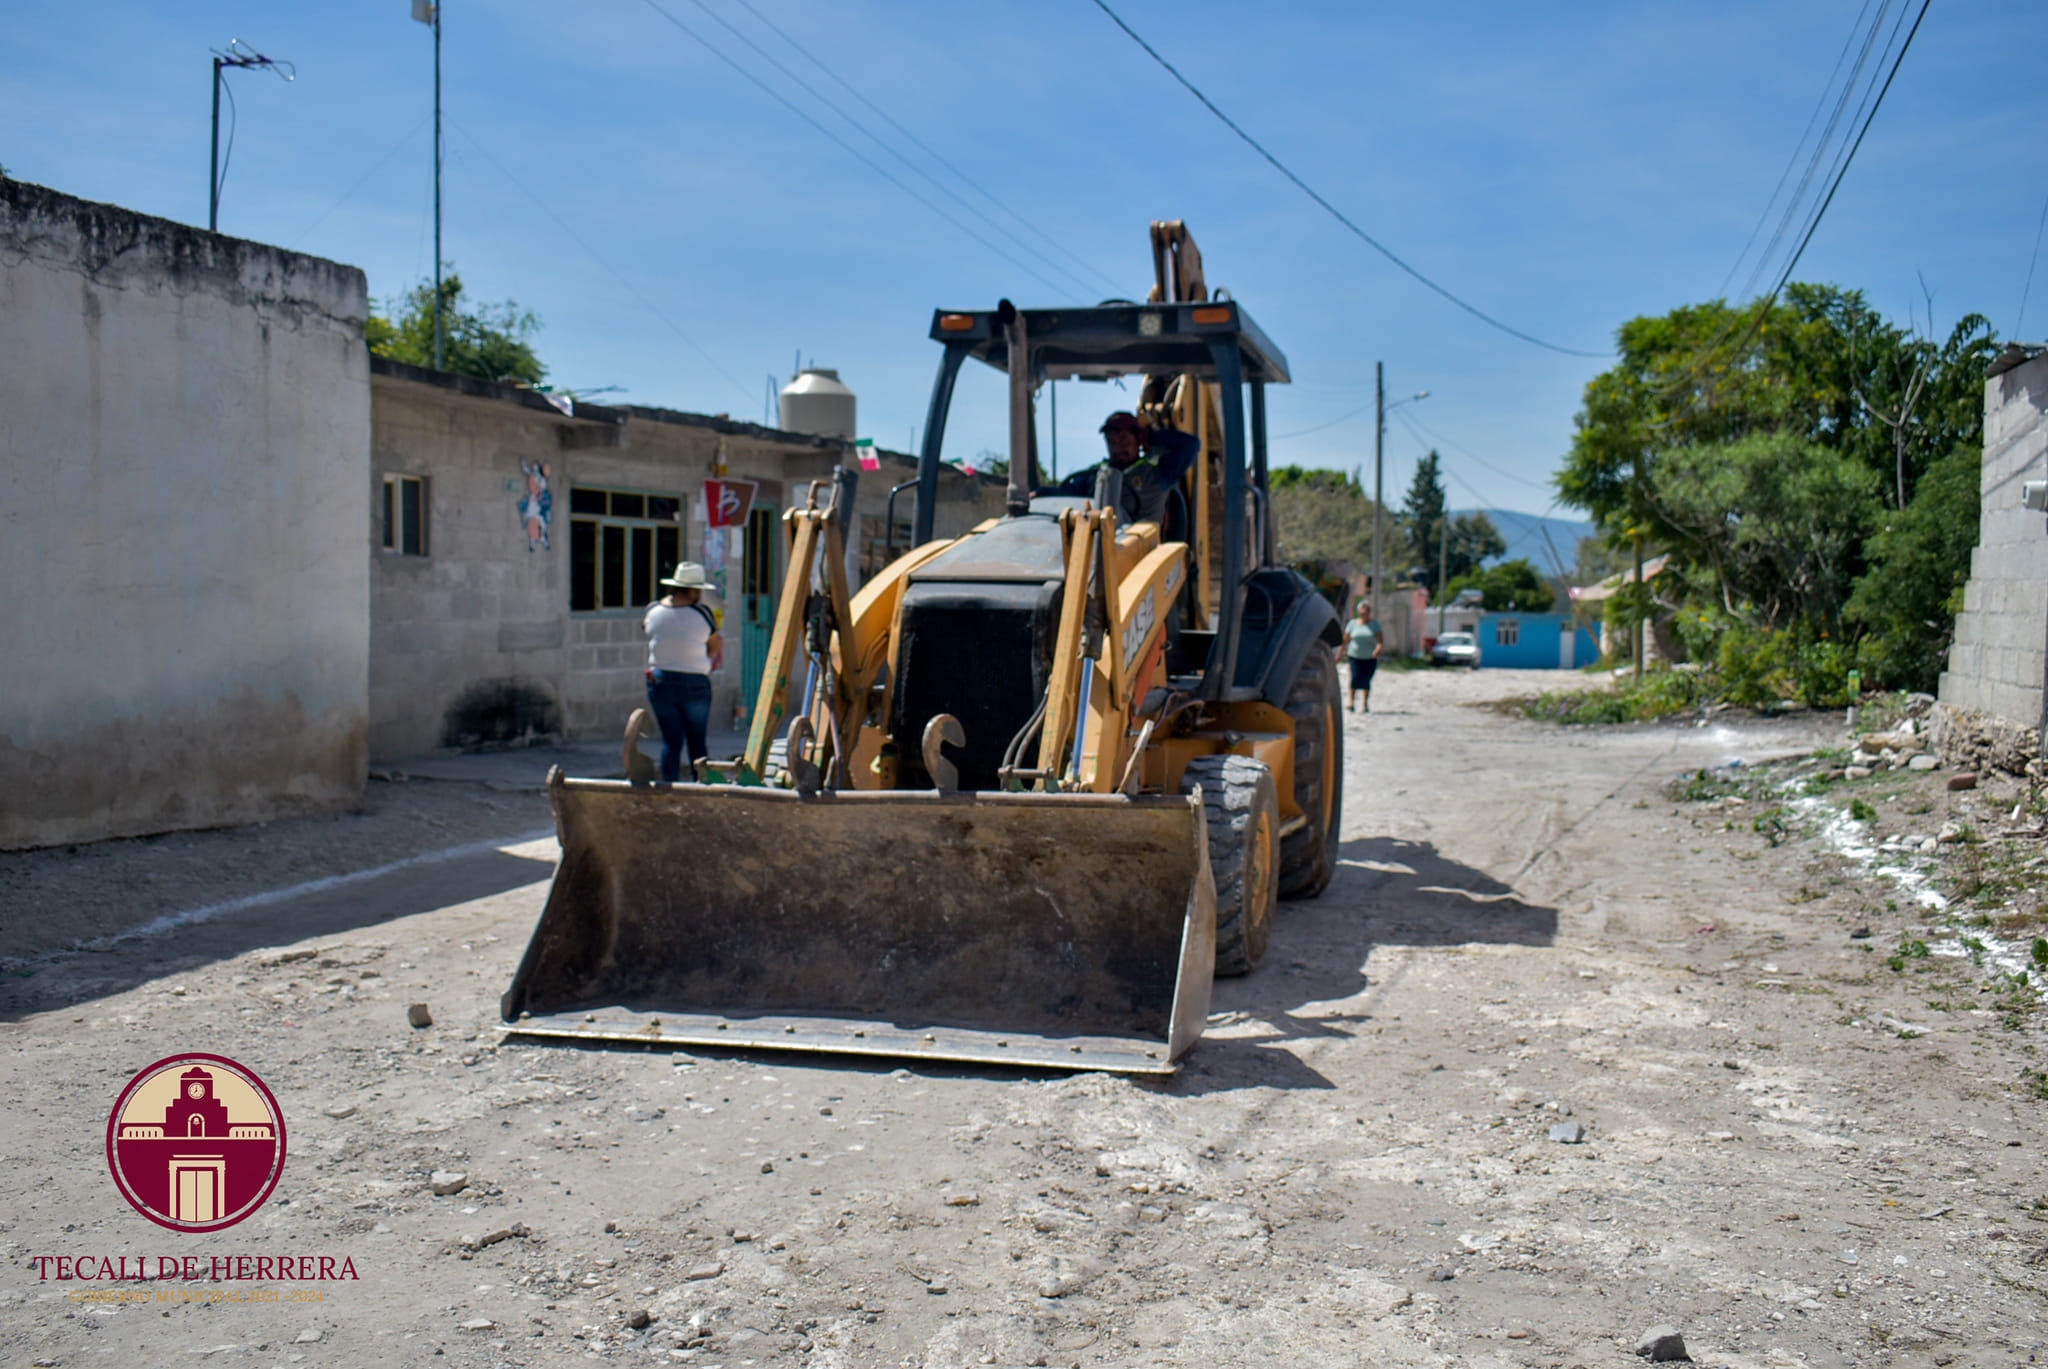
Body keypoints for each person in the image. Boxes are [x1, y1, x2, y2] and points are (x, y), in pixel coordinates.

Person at [642, 562, 724, 782]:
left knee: (671, 741)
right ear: (694, 590)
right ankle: (700, 785)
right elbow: (714, 647)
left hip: (661, 682)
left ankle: (668, 786)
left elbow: (649, 632)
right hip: (695, 683)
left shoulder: (654, 611)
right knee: (697, 741)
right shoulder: (702, 614)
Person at [1052, 410, 1201, 530]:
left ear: (1139, 439)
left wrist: (1152, 438)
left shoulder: (1159, 473)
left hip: (1142, 549)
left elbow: (1191, 445)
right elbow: (1064, 494)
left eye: (1124, 440)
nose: (1117, 448)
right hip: (1100, 544)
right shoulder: (1096, 474)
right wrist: (1040, 493)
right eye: (1112, 442)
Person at [1344, 599, 1382, 713]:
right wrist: (1340, 654)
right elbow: (1346, 640)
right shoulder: (1352, 624)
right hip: (1354, 655)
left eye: (1366, 611)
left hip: (1370, 657)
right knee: (1354, 678)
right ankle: (1351, 703)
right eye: (1362, 611)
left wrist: (1378, 650)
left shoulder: (1374, 625)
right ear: (1359, 612)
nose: (1364, 613)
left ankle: (1365, 704)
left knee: (1366, 681)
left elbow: (1380, 641)